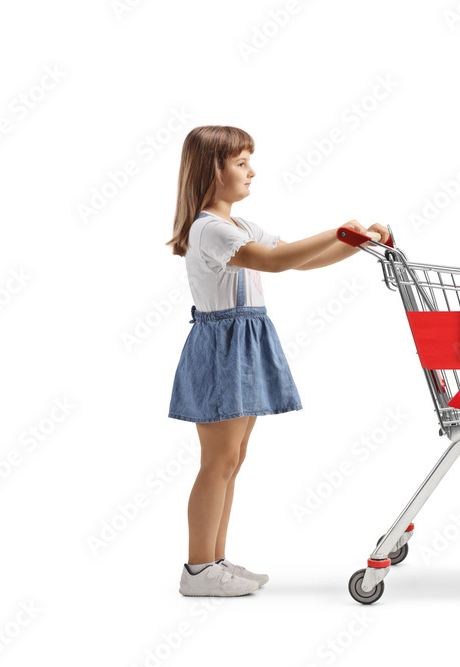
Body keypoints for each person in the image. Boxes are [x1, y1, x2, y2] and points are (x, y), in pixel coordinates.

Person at [164, 126, 389, 596]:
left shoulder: (240, 226)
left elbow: (298, 260)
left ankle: (214, 562)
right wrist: (338, 231)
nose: (252, 170)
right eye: (241, 162)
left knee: (233, 459)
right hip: (224, 345)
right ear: (213, 170)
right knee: (218, 461)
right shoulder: (209, 228)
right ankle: (200, 570)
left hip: (243, 340)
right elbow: (273, 261)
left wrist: (356, 242)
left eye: (250, 160)